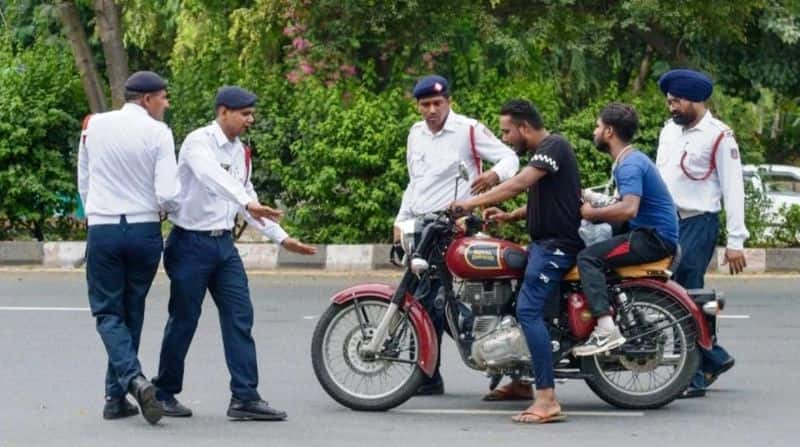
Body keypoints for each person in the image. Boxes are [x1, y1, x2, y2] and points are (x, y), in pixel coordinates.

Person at [152, 86, 316, 420]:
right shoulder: (199, 142)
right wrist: (245, 201)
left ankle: (245, 397)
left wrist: (282, 239)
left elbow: (247, 195)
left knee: (240, 317)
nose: (250, 120)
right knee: (184, 320)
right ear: (224, 111)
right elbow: (212, 179)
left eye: (251, 114)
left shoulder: (241, 151)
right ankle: (164, 392)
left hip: (223, 247)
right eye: (245, 114)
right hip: (190, 245)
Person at [450, 99, 583, 424]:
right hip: (543, 244)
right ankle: (520, 382)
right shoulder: (547, 153)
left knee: (528, 310)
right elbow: (551, 200)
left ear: (524, 127)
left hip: (556, 247)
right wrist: (509, 216)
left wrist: (471, 203)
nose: (506, 138)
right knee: (511, 303)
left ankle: (547, 398)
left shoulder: (554, 146)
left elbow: (519, 183)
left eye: (508, 131)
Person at [394, 75, 519, 395]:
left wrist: (492, 175)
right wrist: (401, 219)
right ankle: (454, 364)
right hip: (423, 228)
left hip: (455, 227)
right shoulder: (415, 134)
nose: (432, 110)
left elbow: (510, 158)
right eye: (426, 104)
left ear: (449, 101)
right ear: (418, 106)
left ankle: (429, 373)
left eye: (438, 103)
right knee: (433, 301)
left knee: (429, 300)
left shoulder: (469, 130)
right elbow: (415, 182)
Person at [77, 71, 178, 424]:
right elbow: (167, 192)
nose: (166, 104)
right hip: (143, 230)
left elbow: (84, 180)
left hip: (104, 229)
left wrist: (97, 213)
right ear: (147, 99)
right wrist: (165, 210)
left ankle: (128, 383)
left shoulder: (94, 125)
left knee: (107, 313)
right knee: (131, 310)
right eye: (163, 97)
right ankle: (117, 396)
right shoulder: (159, 133)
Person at [655, 69, 748, 397]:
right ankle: (713, 358)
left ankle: (695, 371)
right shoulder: (669, 131)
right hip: (667, 221)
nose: (672, 108)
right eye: (669, 102)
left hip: (699, 221)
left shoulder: (720, 136)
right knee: (668, 291)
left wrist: (736, 241)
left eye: (677, 102)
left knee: (687, 293)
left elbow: (733, 188)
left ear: (695, 100)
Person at [572, 103, 679, 356]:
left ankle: (606, 327)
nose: (594, 132)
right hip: (650, 232)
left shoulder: (629, 165)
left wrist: (591, 213)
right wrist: (589, 197)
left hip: (653, 238)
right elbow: (620, 204)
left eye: (597, 127)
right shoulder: (632, 159)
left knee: (588, 258)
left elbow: (629, 208)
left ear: (609, 131)